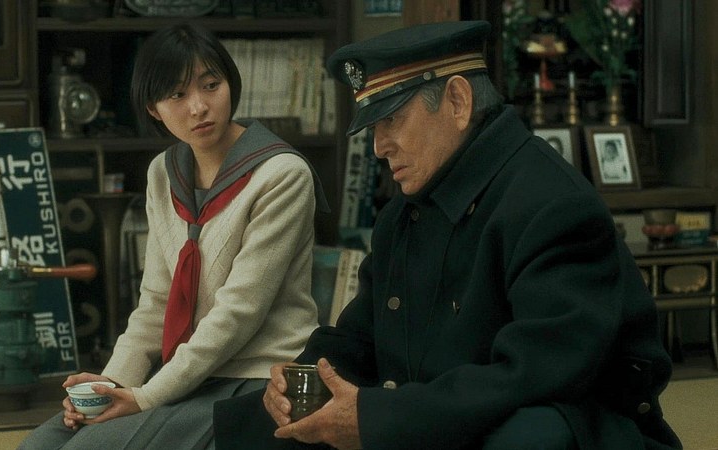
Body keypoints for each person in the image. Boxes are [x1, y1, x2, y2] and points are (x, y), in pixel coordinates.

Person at [214, 21, 681, 449]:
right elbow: (362, 336)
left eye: (391, 120)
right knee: (265, 423)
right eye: (374, 127)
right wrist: (303, 375)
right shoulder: (403, 212)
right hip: (439, 409)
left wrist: (378, 418)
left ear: (458, 101)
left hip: (570, 426)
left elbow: (534, 376)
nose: (378, 147)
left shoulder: (553, 204)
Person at [19, 22, 328, 449]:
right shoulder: (164, 173)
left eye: (211, 85)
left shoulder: (281, 175)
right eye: (177, 95)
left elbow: (238, 314)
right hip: (183, 373)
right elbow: (155, 303)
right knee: (40, 445)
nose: (199, 107)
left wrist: (145, 397)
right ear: (153, 108)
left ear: (231, 84)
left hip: (256, 378)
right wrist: (111, 385)